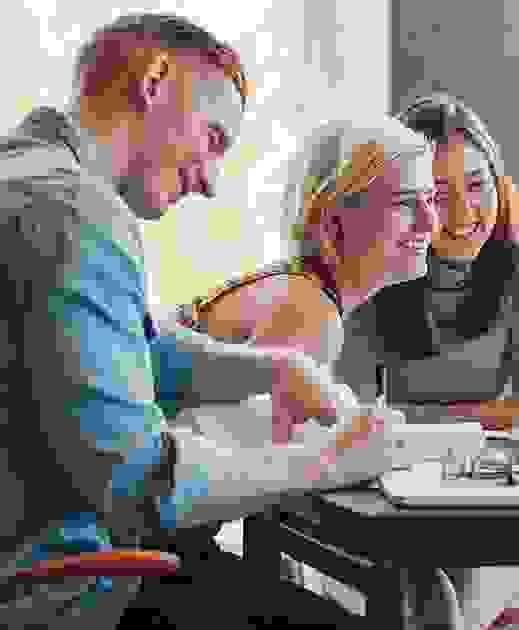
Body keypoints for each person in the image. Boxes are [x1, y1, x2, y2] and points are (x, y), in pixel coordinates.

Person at [0, 13, 399, 629]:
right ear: (154, 81)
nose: (211, 182)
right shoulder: (70, 209)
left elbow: (122, 349)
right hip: (62, 596)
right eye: (214, 137)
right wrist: (333, 459)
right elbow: (142, 485)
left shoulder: (24, 177)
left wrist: (277, 370)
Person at [154, 116, 438, 601]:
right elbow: (267, 485)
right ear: (335, 216)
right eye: (405, 203)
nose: (430, 222)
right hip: (151, 565)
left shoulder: (292, 287)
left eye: (431, 199)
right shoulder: (307, 310)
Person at [333, 93, 519, 629]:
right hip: (396, 492)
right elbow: (348, 419)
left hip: (493, 493)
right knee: (413, 597)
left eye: (477, 185)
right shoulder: (375, 273)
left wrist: (411, 423)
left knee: (452, 603)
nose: (464, 213)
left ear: (499, 181)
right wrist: (479, 418)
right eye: (439, 194)